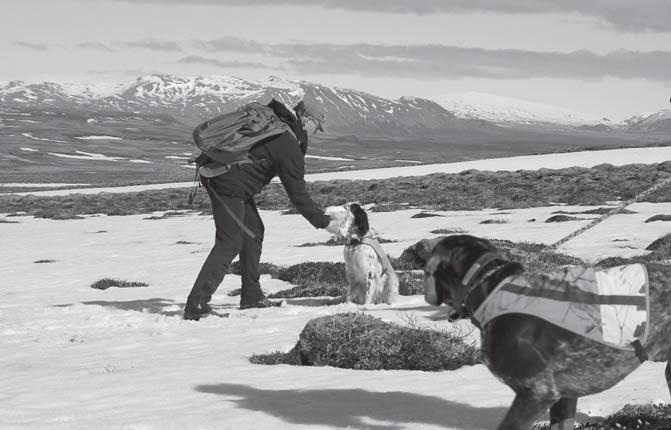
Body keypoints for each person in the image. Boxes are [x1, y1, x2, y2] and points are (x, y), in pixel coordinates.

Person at [183, 98, 340, 320]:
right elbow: (298, 194)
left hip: (229, 180)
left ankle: (251, 296)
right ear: (306, 118)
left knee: (253, 232)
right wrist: (324, 222)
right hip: (226, 183)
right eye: (317, 126)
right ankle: (196, 304)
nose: (316, 132)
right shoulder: (287, 142)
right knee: (230, 242)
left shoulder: (278, 127)